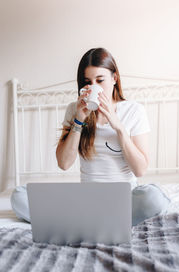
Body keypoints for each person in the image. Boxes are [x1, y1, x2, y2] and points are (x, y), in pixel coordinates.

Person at [10, 47, 170, 226]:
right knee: (19, 195)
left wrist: (117, 125)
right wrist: (79, 120)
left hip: (124, 199)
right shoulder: (74, 110)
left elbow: (140, 169)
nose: (94, 86)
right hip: (88, 200)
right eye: (87, 82)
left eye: (100, 80)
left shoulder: (134, 111)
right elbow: (64, 163)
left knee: (153, 198)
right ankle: (95, 219)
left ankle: (83, 221)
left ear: (114, 79)